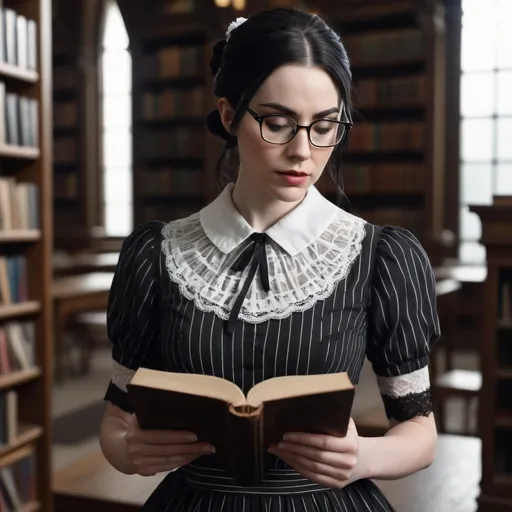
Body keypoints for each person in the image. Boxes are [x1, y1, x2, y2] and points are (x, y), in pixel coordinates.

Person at [99, 7, 440, 512]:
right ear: (228, 113)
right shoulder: (156, 254)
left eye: (325, 126)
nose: (303, 150)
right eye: (277, 123)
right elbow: (114, 421)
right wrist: (128, 451)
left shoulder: (381, 256)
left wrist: (363, 457)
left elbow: (421, 431)